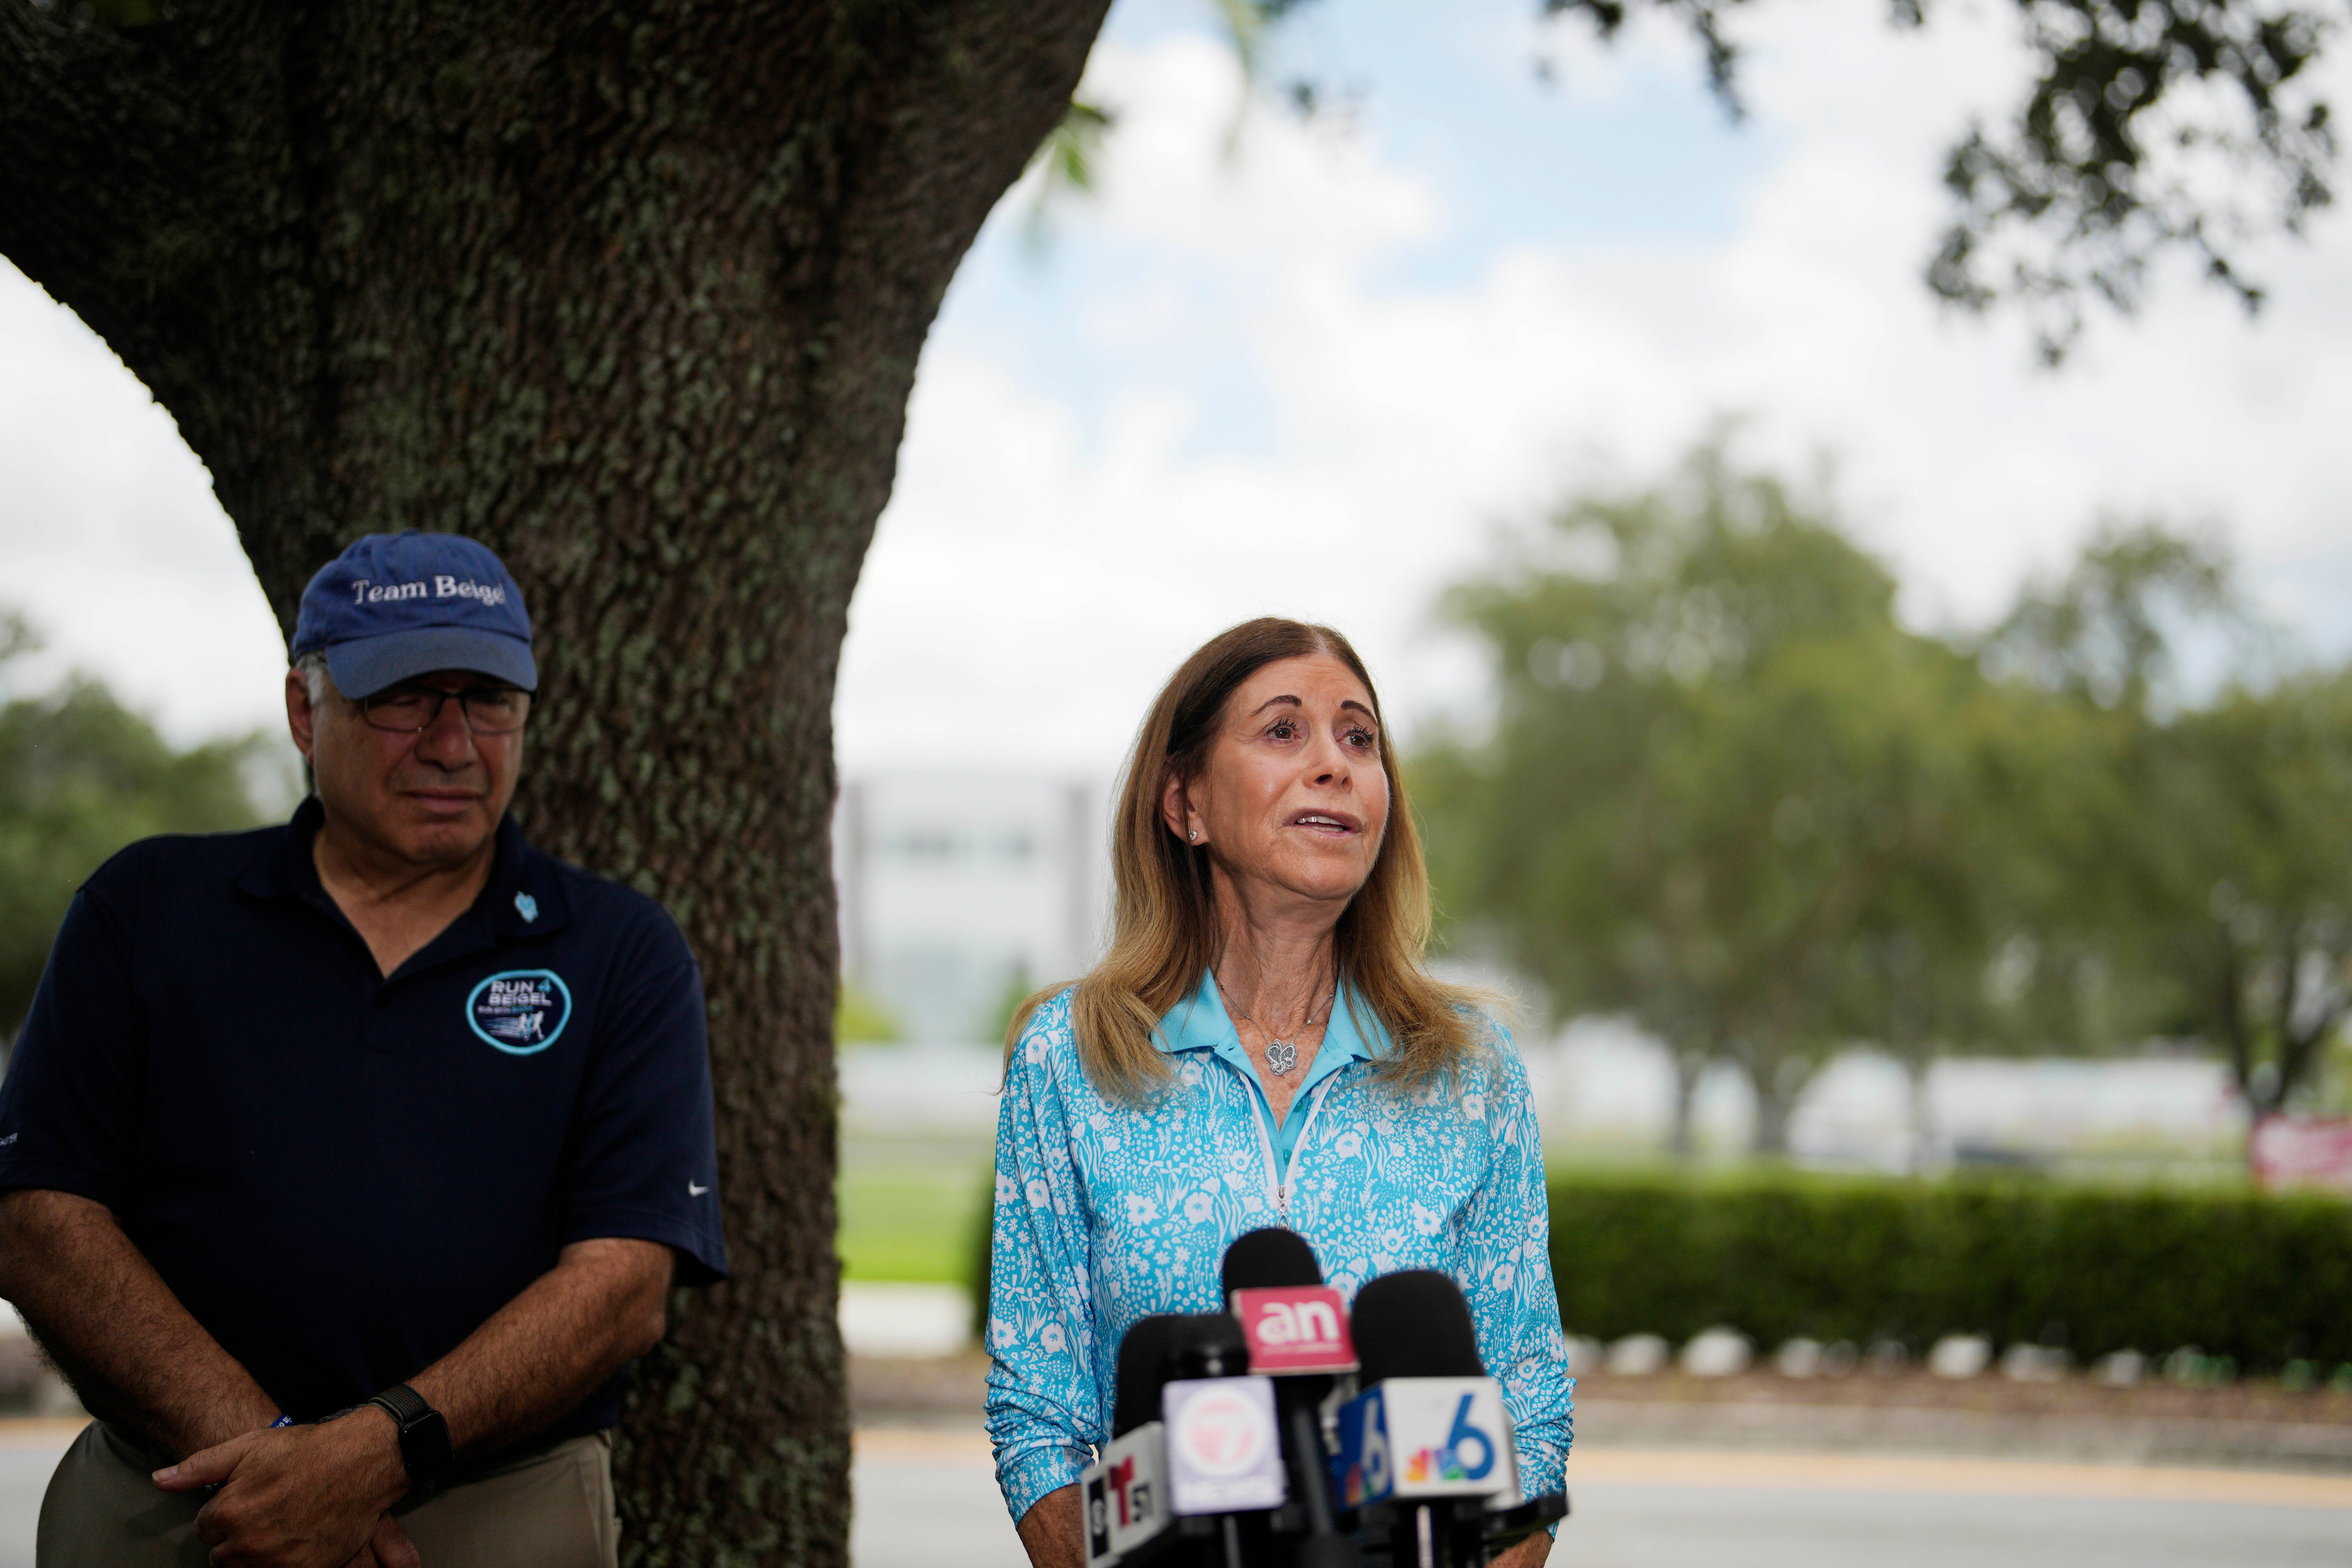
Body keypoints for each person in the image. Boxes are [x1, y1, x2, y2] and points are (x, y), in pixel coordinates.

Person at [0, 531, 728, 1568]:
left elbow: (623, 1286)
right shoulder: (146, 913)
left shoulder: (618, 952)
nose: (453, 744)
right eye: (405, 698)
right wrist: (282, 1465)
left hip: (491, 1507)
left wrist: (377, 1455)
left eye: (490, 700)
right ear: (306, 711)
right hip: (175, 1496)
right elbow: (39, 1221)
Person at [986, 618, 1570, 1568]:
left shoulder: (1474, 1069)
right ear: (1186, 804)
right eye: (1284, 730)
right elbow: (1038, 1413)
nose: (1335, 765)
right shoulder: (1072, 1057)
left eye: (1360, 737)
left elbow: (1530, 1412)